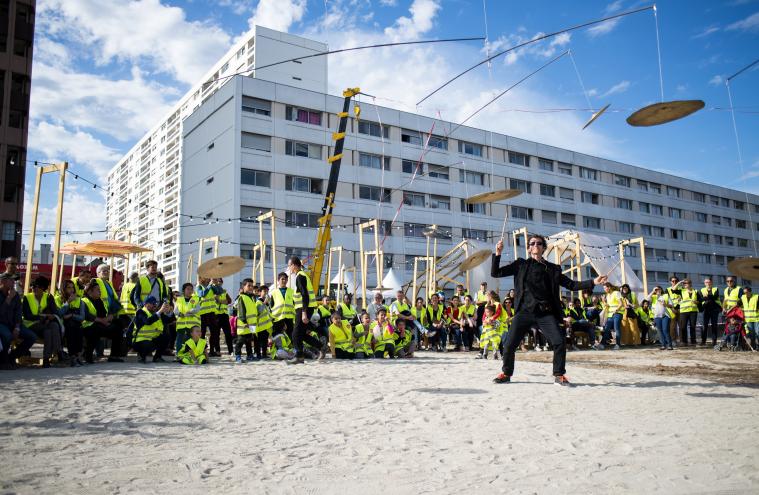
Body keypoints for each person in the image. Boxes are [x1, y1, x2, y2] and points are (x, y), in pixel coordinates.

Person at [490, 235, 605, 385]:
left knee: (559, 341)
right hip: (524, 312)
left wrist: (593, 281)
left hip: (545, 312)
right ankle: (506, 373)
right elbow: (495, 273)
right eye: (532, 243)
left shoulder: (553, 269)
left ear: (544, 248)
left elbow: (571, 284)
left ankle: (559, 375)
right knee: (509, 344)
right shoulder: (521, 265)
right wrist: (498, 253)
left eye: (539, 243)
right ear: (529, 248)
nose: (535, 245)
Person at [287, 257, 325, 364]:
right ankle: (321, 346)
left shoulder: (300, 276)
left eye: (289, 265)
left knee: (295, 334)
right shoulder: (302, 275)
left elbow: (305, 295)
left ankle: (299, 357)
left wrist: (304, 312)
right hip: (306, 308)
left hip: (304, 308)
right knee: (301, 334)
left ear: (294, 265)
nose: (289, 267)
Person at [23, 276, 66, 368]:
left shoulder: (48, 297)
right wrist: (44, 317)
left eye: (36, 286)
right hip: (30, 324)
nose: (33, 288)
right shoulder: (27, 298)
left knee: (51, 329)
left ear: (43, 288)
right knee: (50, 328)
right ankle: (59, 352)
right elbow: (28, 316)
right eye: (32, 286)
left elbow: (55, 312)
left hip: (45, 325)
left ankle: (46, 359)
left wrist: (47, 318)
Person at [80, 280, 125, 363]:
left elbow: (105, 314)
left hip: (101, 324)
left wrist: (110, 317)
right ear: (90, 291)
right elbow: (86, 316)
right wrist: (102, 321)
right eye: (98, 290)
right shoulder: (83, 301)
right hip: (87, 326)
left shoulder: (100, 300)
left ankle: (114, 356)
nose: (100, 292)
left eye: (100, 290)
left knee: (118, 327)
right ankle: (87, 355)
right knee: (95, 329)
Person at [0, 272, 35, 369]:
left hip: (13, 324)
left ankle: (12, 357)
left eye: (14, 280)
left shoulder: (15, 295)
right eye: (11, 280)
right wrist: (8, 299)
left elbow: (18, 313)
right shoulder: (8, 295)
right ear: (3, 281)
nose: (13, 282)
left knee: (32, 337)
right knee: (7, 336)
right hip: (1, 323)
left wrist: (17, 327)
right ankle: (3, 360)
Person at [133, 296, 172, 363]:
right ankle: (142, 357)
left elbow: (169, 320)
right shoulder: (140, 312)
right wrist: (160, 311)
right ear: (145, 304)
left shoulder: (156, 313)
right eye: (152, 304)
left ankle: (157, 357)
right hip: (140, 341)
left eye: (155, 304)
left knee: (166, 337)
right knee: (147, 344)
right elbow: (147, 321)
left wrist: (168, 312)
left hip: (152, 339)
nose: (154, 306)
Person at [55, 279, 85, 367]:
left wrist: (71, 315)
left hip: (75, 323)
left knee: (77, 328)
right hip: (61, 324)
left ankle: (77, 356)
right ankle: (73, 356)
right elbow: (59, 314)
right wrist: (68, 302)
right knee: (71, 327)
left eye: (73, 288)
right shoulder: (57, 299)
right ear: (63, 289)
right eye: (68, 288)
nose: (71, 290)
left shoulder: (79, 300)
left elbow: (82, 317)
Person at [235, 278, 259, 363]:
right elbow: (241, 311)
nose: (251, 287)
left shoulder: (252, 298)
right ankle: (238, 356)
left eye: (252, 286)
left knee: (249, 340)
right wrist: (244, 322)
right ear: (243, 287)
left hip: (252, 324)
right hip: (244, 324)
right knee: (240, 341)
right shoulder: (242, 297)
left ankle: (250, 355)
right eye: (248, 286)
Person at [174, 283, 201, 354]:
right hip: (181, 324)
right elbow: (175, 311)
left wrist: (190, 311)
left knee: (190, 340)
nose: (190, 291)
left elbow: (197, 309)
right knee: (179, 340)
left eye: (191, 289)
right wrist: (180, 314)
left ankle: (190, 354)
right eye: (188, 289)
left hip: (192, 325)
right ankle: (179, 354)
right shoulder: (179, 300)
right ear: (183, 290)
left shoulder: (196, 299)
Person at [195, 277, 218, 349]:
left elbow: (218, 291)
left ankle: (212, 350)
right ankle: (202, 349)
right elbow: (202, 294)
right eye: (206, 276)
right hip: (203, 314)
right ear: (202, 278)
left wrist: (216, 284)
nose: (209, 278)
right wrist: (209, 285)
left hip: (211, 313)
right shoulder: (198, 287)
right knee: (202, 333)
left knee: (214, 332)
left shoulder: (211, 286)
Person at [212, 278, 233, 355]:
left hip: (224, 315)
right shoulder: (212, 290)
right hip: (216, 315)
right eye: (217, 281)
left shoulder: (224, 291)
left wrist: (220, 301)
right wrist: (223, 301)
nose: (219, 283)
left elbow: (229, 301)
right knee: (216, 334)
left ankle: (231, 351)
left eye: (220, 282)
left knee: (228, 334)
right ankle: (217, 351)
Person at [600, 283, 624, 350]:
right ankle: (602, 344)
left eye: (605, 288)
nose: (604, 289)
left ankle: (618, 345)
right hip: (610, 314)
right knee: (607, 328)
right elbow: (608, 306)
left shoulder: (616, 293)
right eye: (604, 288)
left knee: (616, 328)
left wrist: (616, 310)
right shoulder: (607, 295)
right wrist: (603, 301)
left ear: (609, 287)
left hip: (618, 313)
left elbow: (621, 303)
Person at [271, 272, 295, 338]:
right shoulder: (274, 293)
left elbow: (294, 304)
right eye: (282, 279)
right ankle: (279, 348)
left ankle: (292, 348)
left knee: (291, 335)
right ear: (278, 280)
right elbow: (271, 306)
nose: (284, 281)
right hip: (278, 318)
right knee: (278, 335)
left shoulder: (292, 291)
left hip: (289, 317)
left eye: (285, 279)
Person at [698, 277, 721, 346]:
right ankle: (703, 341)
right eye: (706, 282)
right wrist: (709, 297)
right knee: (704, 326)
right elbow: (701, 299)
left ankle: (714, 341)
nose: (707, 283)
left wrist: (707, 296)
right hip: (706, 310)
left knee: (714, 325)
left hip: (714, 310)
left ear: (711, 282)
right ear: (704, 283)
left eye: (709, 282)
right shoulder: (701, 290)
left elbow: (715, 297)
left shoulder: (715, 289)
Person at [118, 272, 139, 344]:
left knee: (125, 329)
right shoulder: (135, 286)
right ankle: (130, 345)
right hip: (132, 311)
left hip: (123, 310)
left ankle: (125, 345)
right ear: (135, 278)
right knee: (132, 329)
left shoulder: (125, 285)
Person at [678, 279, 699, 346]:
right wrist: (680, 282)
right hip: (684, 311)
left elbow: (699, 301)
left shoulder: (695, 291)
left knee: (693, 326)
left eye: (686, 283)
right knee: (683, 327)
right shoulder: (681, 291)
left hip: (693, 311)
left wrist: (696, 302)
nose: (685, 284)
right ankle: (684, 341)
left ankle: (693, 341)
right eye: (684, 283)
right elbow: (673, 289)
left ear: (690, 284)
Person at [254, 289, 273, 360]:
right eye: (264, 291)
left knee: (265, 341)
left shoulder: (266, 302)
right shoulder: (258, 302)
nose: (266, 293)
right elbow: (259, 312)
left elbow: (268, 312)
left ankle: (264, 354)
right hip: (260, 326)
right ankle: (258, 354)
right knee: (259, 342)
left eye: (266, 292)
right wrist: (265, 303)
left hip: (266, 325)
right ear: (259, 292)